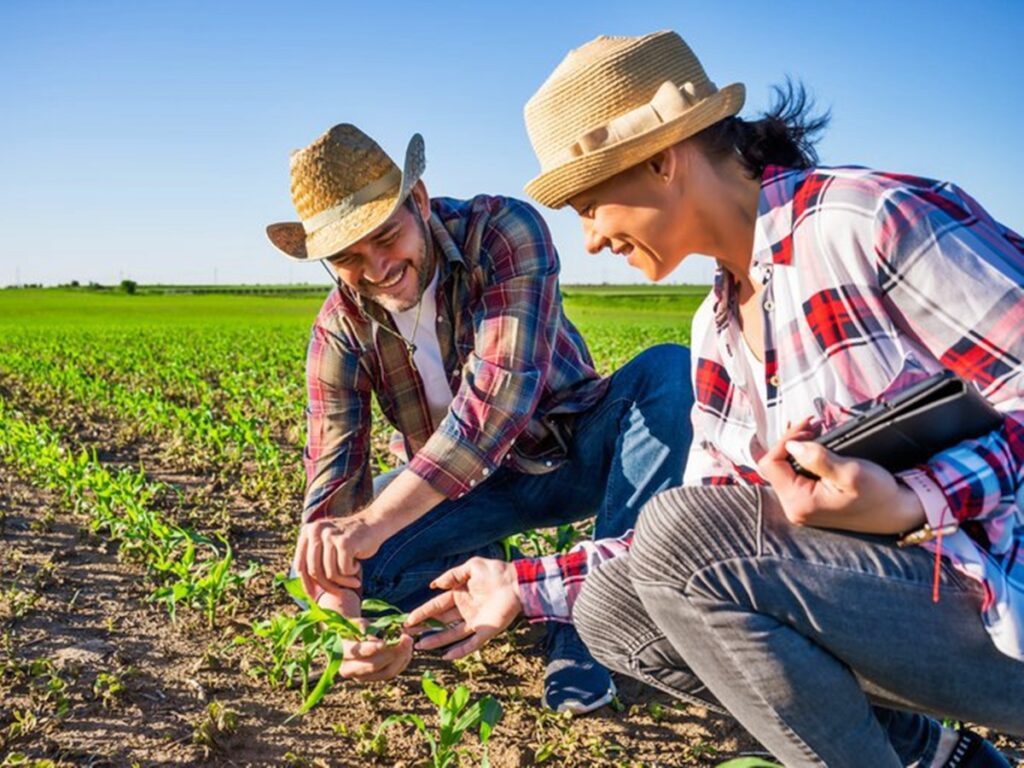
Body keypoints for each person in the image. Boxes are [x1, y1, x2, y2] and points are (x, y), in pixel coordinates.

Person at [406, 31, 1024, 767]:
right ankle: (934, 756)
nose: (592, 240)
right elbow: (701, 532)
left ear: (662, 159)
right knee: (615, 610)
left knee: (679, 538)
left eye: (590, 206)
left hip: (999, 593)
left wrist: (913, 499)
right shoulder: (717, 328)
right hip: (915, 613)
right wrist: (521, 583)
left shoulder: (867, 221)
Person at [264, 123, 695, 712]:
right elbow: (332, 479)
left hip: (568, 456)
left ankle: (587, 624)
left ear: (418, 200)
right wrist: (346, 622)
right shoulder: (340, 328)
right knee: (324, 574)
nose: (378, 267)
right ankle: (493, 580)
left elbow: (496, 404)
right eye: (348, 258)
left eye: (386, 236)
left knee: (669, 372)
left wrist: (370, 526)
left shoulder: (501, 232)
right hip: (461, 495)